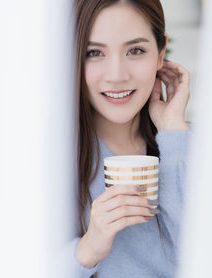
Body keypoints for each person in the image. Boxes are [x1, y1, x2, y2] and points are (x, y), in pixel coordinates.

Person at [63, 0, 191, 277]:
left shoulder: (186, 147)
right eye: (94, 52)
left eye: (135, 50)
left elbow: (210, 255)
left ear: (160, 53)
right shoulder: (50, 158)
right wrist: (87, 250)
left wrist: (173, 133)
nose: (117, 76)